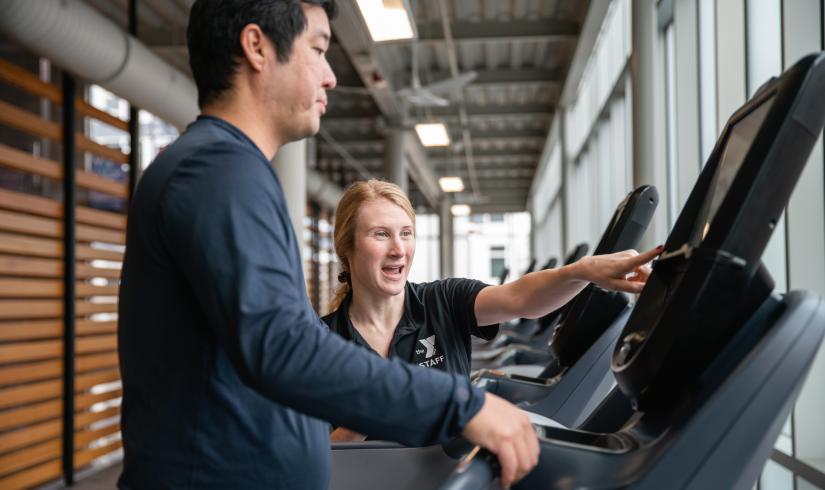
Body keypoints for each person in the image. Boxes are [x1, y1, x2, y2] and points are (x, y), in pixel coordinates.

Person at [117, 1, 542, 488]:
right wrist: (462, 405)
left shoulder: (227, 170)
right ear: (257, 47)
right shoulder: (217, 172)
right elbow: (284, 348)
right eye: (318, 50)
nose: (331, 77)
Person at [323, 180, 660, 442]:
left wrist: (581, 272)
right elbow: (311, 452)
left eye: (406, 234)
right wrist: (369, 414)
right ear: (347, 246)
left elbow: (519, 298)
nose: (398, 249)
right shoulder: (319, 339)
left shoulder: (443, 300)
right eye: (381, 234)